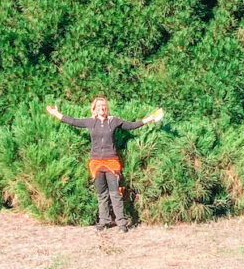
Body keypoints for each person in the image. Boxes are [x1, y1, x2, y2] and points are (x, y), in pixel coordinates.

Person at [46, 96, 164, 232]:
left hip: (111, 162)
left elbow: (132, 126)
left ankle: (122, 224)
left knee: (115, 193)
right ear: (94, 108)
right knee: (101, 194)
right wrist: (56, 113)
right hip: (95, 163)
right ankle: (104, 222)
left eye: (104, 106)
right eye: (99, 106)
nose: (102, 108)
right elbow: (72, 121)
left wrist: (150, 118)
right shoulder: (90, 122)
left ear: (106, 108)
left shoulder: (113, 121)